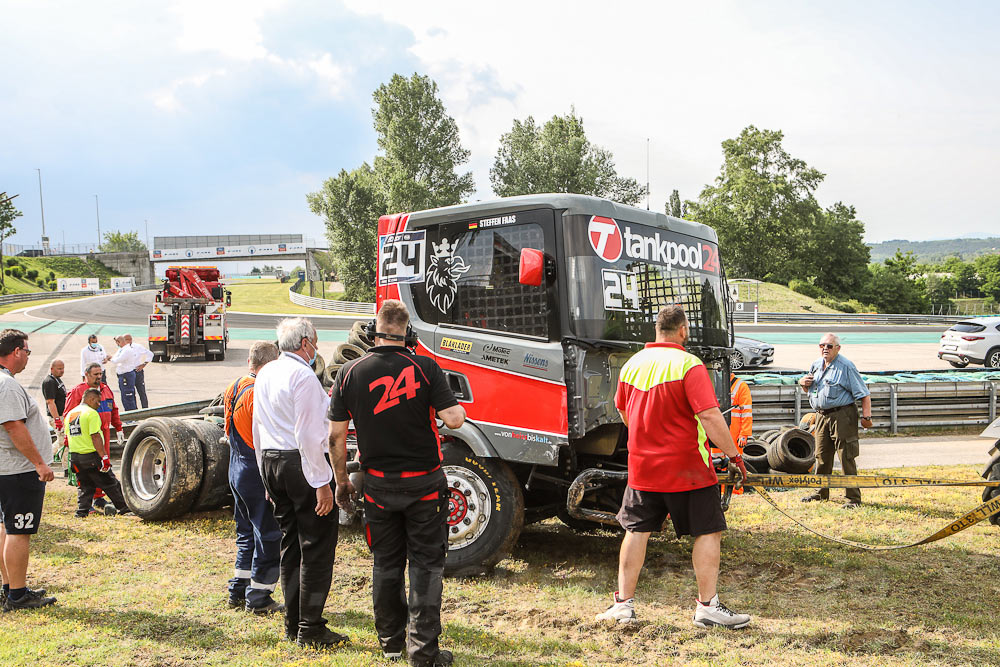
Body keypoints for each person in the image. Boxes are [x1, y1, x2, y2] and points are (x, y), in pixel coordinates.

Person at [595, 305, 750, 629]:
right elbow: (709, 416)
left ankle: (623, 605)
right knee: (708, 531)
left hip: (643, 467)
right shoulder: (689, 365)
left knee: (636, 531)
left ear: (656, 329)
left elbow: (622, 411)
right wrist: (734, 455)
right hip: (688, 468)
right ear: (683, 331)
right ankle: (707, 607)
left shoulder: (633, 365)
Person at [329, 300, 465, 667]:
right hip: (424, 486)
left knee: (386, 566)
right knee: (425, 567)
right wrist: (457, 408)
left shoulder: (349, 372)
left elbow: (336, 438)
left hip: (377, 486)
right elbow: (453, 420)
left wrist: (342, 482)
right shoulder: (425, 367)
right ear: (407, 332)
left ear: (375, 329)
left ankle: (390, 644)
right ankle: (423, 653)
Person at [253, 317, 348, 649]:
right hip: (301, 463)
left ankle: (293, 622)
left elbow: (257, 425)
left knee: (291, 545)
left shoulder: (266, 372)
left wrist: (265, 474)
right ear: (305, 342)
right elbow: (308, 435)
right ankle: (310, 627)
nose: (317, 348)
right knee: (317, 548)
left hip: (272, 460)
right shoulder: (303, 376)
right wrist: (323, 481)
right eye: (316, 341)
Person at [224, 341, 283, 615]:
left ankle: (238, 587)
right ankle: (259, 595)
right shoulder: (260, 391)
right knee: (268, 533)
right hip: (254, 467)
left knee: (245, 531)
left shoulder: (234, 386)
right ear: (270, 363)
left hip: (236, 465)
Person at [0, 329, 57, 611]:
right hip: (18, 470)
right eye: (27, 351)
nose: (28, 358)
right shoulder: (7, 385)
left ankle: (11, 586)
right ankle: (18, 595)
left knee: (6, 528)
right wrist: (39, 463)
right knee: (18, 530)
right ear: (16, 352)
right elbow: (13, 426)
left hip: (6, 468)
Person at [798, 333, 872, 509]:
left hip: (843, 415)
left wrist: (866, 417)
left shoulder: (846, 366)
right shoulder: (816, 365)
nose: (825, 348)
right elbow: (811, 391)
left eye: (829, 346)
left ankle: (853, 498)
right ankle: (820, 492)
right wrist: (802, 384)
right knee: (821, 455)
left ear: (838, 348)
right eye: (822, 345)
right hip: (821, 415)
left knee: (846, 455)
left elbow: (864, 394)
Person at [64, 363, 124, 513]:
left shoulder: (106, 389)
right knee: (101, 471)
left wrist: (118, 427)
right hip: (90, 437)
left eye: (100, 374)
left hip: (104, 433)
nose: (98, 377)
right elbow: (69, 417)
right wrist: (68, 441)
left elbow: (113, 409)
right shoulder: (78, 392)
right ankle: (122, 505)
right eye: (95, 374)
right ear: (86, 375)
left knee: (96, 471)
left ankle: (96, 499)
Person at [111, 334, 153, 412]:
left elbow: (150, 354)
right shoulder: (122, 349)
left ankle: (145, 409)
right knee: (130, 393)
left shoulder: (137, 347)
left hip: (137, 371)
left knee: (141, 391)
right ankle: (135, 411)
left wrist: (144, 364)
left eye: (126, 340)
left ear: (130, 340)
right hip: (129, 372)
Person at [729, 372, 752, 451]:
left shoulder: (741, 386)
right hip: (717, 433)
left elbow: (747, 412)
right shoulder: (713, 383)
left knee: (734, 459)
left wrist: (744, 434)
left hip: (734, 435)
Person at [41, 360, 67, 431]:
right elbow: (50, 402)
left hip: (62, 415)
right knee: (62, 440)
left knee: (63, 439)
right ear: (52, 369)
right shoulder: (49, 382)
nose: (62, 371)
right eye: (59, 369)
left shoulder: (57, 379)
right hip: (57, 417)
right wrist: (57, 419)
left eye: (63, 368)